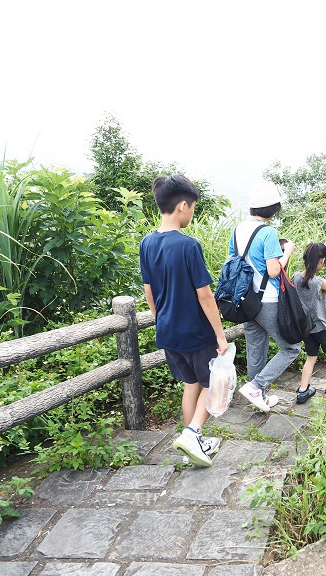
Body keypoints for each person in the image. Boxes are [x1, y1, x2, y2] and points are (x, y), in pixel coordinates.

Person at [140, 175, 230, 468]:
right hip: (195, 331)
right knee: (212, 382)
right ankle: (192, 433)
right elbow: (205, 296)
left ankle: (194, 439)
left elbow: (148, 292)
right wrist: (220, 335)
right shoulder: (188, 245)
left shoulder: (147, 243)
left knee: (191, 384)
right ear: (182, 206)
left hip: (167, 331)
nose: (192, 213)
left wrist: (160, 317)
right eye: (192, 208)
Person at [233, 181, 300, 412]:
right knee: (291, 348)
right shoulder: (268, 232)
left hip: (246, 299)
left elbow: (234, 261)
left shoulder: (238, 229)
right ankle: (257, 386)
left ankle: (258, 395)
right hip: (267, 299)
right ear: (273, 208)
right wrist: (288, 251)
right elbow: (273, 270)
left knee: (256, 348)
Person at [291, 242, 326, 404]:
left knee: (311, 357)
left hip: (307, 328)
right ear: (320, 261)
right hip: (323, 326)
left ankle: (302, 390)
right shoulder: (319, 282)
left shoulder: (296, 277)